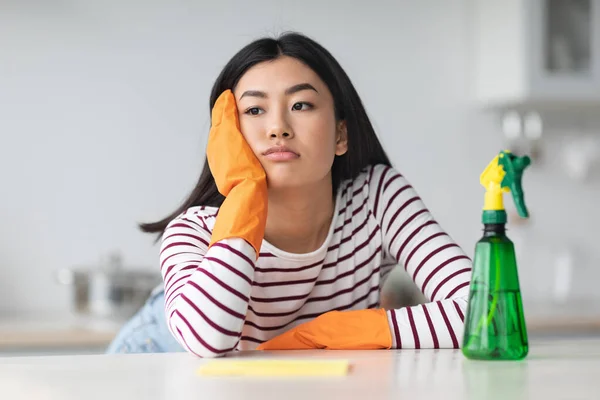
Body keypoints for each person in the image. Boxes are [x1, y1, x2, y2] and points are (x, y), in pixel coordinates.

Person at [106, 31, 472, 357]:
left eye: (300, 105)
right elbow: (207, 341)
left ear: (341, 135)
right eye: (254, 110)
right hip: (154, 357)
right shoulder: (195, 231)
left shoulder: (376, 198)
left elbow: (487, 312)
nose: (278, 127)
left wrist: (334, 333)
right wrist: (246, 192)